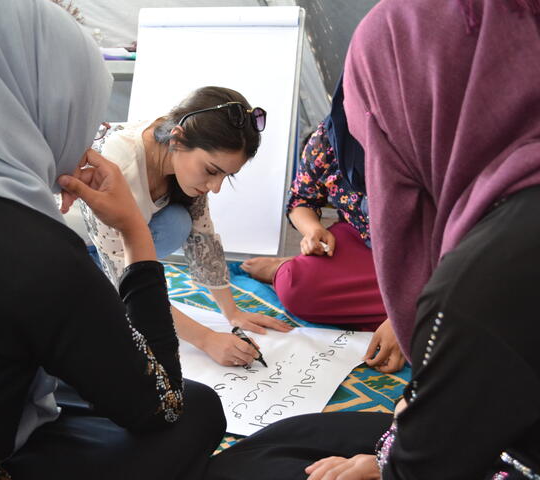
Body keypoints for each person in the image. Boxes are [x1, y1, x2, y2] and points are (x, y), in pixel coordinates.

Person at [204, 0, 540, 478]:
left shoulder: (480, 285)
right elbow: (303, 200)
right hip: (376, 255)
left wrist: (381, 465)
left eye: (376, 118)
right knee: (286, 431)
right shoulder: (493, 222)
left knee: (241, 466)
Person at [0, 1, 225, 479]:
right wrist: (135, 230)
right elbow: (164, 404)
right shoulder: (28, 249)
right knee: (197, 409)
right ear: (38, 101)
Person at [75, 86, 293, 367]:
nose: (215, 187)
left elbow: (203, 237)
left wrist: (232, 313)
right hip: (71, 246)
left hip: (115, 244)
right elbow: (123, 277)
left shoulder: (179, 154)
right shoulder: (119, 164)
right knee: (112, 314)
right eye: (212, 171)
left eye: (227, 177)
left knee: (178, 222)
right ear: (177, 139)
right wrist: (205, 338)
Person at [241, 77, 404, 373]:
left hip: (432, 260)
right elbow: (302, 200)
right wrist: (312, 230)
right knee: (297, 287)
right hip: (362, 243)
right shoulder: (331, 137)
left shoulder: (433, 136)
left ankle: (409, 320)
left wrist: (405, 315)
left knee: (469, 313)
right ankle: (286, 270)